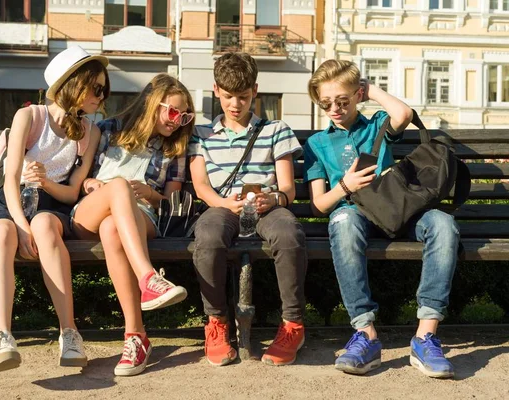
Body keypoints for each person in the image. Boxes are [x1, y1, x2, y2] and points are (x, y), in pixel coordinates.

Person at [304, 59, 458, 378]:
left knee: (443, 224)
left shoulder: (375, 125)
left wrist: (368, 88)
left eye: (342, 100)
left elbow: (402, 115)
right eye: (326, 102)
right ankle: (366, 335)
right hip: (354, 215)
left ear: (356, 96)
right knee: (342, 221)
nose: (334, 108)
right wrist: (345, 186)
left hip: (396, 210)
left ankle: (425, 336)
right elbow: (319, 204)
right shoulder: (317, 144)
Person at [0, 45, 108, 372]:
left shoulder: (90, 132)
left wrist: (45, 184)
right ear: (71, 83)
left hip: (50, 204)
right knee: (3, 233)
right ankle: (1, 337)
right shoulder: (30, 117)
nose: (101, 96)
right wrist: (20, 225)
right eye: (95, 88)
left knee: (45, 225)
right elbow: (10, 177)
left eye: (104, 90)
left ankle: (69, 333)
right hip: (10, 202)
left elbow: (72, 193)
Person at [189, 52, 307, 367]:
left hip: (268, 208)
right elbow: (201, 186)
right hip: (222, 205)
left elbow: (288, 189)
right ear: (216, 90)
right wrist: (223, 203)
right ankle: (216, 323)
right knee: (209, 235)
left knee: (288, 233)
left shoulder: (276, 129)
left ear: (255, 90)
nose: (235, 104)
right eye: (228, 96)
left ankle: (293, 324)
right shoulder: (201, 134)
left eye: (243, 96)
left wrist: (275, 200)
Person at [70, 73, 193, 376]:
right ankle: (149, 279)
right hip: (90, 212)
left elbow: (171, 202)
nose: (178, 121)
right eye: (174, 112)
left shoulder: (174, 147)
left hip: (141, 216)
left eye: (185, 115)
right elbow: (79, 176)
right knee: (119, 187)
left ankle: (135, 337)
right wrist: (90, 184)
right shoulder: (107, 129)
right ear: (153, 103)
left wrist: (151, 193)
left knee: (113, 227)